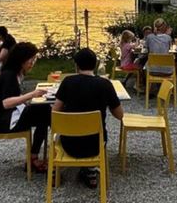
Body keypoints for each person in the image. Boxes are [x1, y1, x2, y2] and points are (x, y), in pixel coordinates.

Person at [53, 48, 124, 188]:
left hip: (70, 144)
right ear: (95, 65)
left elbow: (55, 112)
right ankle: (90, 170)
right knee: (94, 134)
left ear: (76, 65)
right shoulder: (105, 85)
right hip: (95, 145)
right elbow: (120, 115)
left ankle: (55, 168)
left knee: (57, 136)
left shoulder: (67, 82)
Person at [0, 42, 50, 173]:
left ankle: (34, 156)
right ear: (21, 60)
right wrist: (31, 95)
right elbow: (6, 103)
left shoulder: (15, 74)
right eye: (31, 59)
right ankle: (36, 157)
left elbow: (14, 97)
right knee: (45, 112)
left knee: (43, 111)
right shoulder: (9, 75)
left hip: (7, 115)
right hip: (3, 121)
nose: (32, 63)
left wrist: (27, 101)